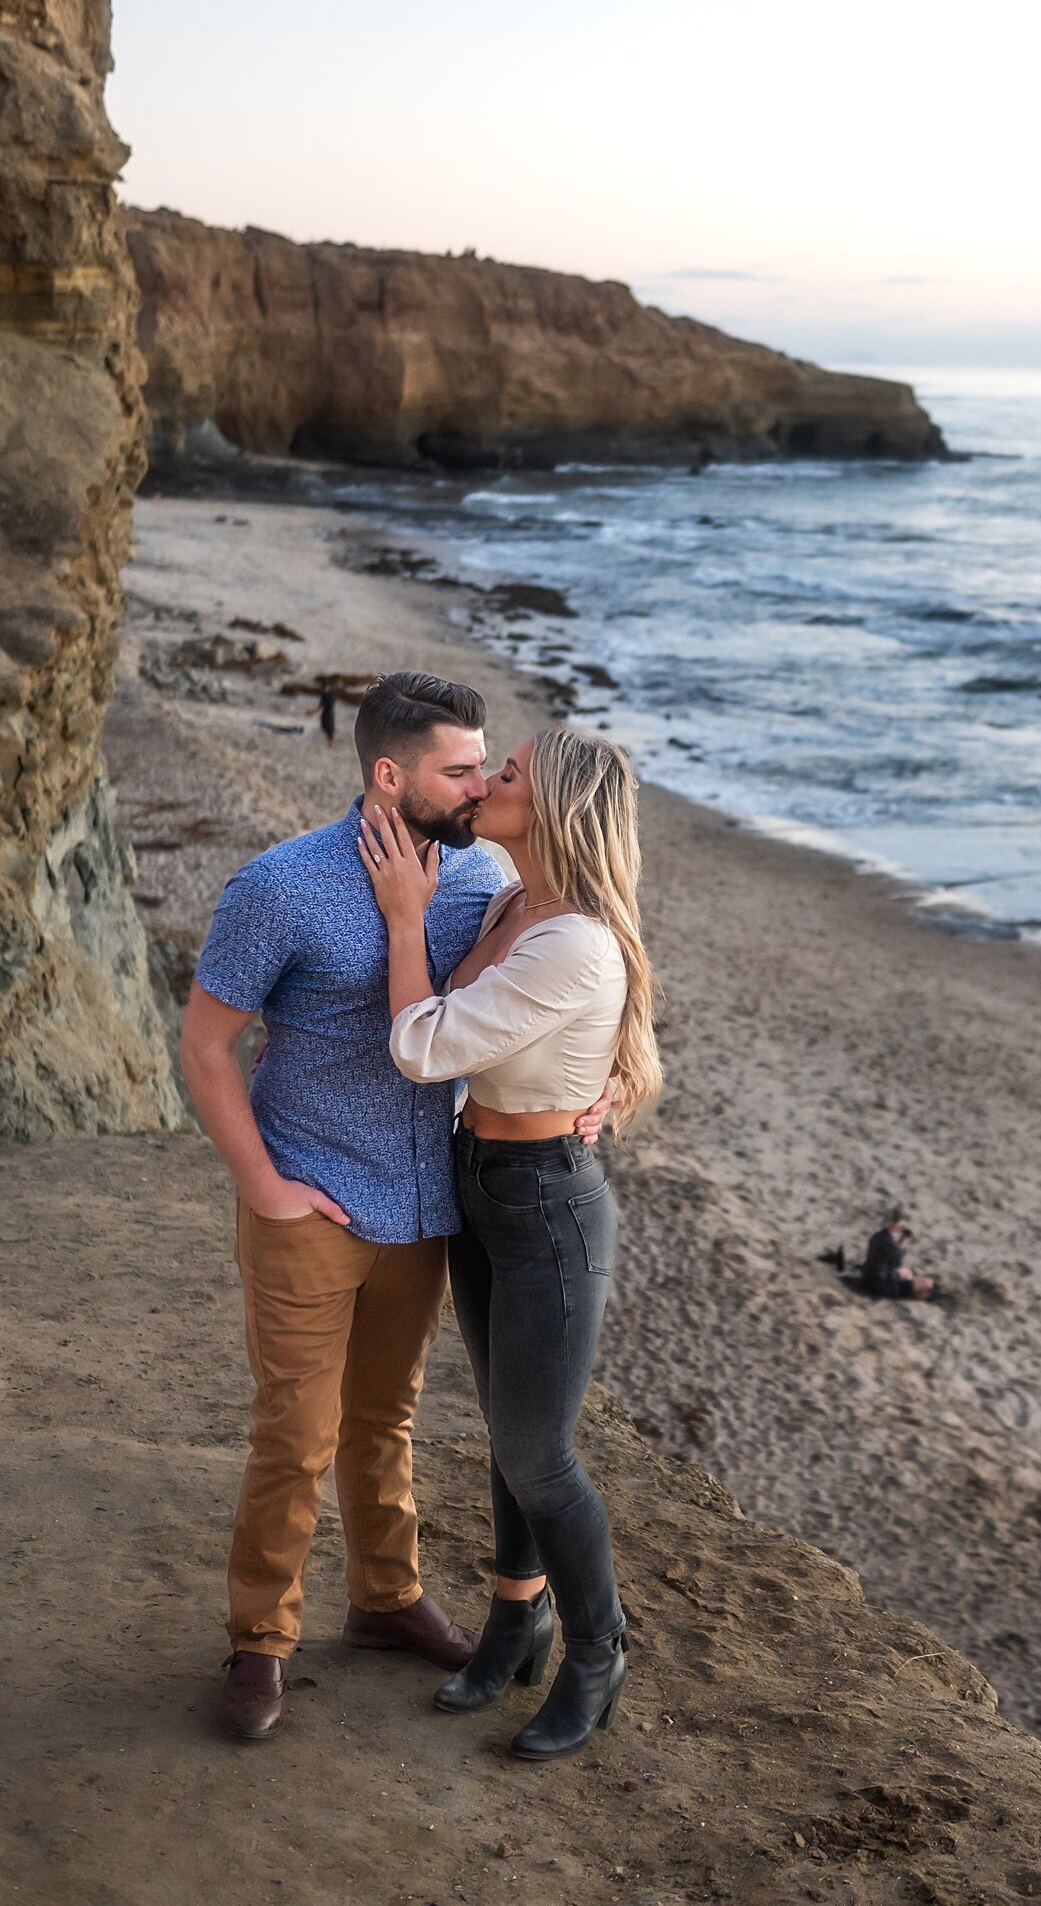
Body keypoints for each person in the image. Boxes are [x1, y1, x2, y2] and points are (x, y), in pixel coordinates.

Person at [180, 672, 611, 1740]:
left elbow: (587, 972)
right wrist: (264, 1187)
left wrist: (600, 1081)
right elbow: (204, 1045)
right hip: (310, 1204)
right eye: (461, 768)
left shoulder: (485, 884)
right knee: (297, 1432)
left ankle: (384, 1600)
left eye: (487, 769)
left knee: (387, 1422)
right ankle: (261, 1641)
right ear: (389, 774)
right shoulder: (280, 887)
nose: (478, 785)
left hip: (429, 1205)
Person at [359, 725, 662, 1760]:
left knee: (539, 1450)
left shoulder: (570, 939)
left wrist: (405, 918)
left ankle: (597, 1652)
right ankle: (513, 1619)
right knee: (505, 1430)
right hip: (481, 1182)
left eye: (509, 774)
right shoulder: (510, 897)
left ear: (556, 806)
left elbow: (422, 1044)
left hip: (545, 1206)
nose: (487, 783)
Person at [861, 1211, 938, 1301]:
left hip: (869, 1278)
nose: (901, 1225)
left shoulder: (876, 1236)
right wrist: (902, 1245)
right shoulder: (890, 1244)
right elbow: (896, 1263)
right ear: (894, 1224)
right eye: (899, 1223)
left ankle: (913, 1290)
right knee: (929, 1284)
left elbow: (890, 1254)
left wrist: (902, 1240)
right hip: (884, 1286)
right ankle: (916, 1294)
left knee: (907, 1271)